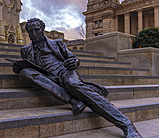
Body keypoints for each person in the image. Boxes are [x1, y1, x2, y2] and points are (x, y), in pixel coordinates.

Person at [12, 18, 142, 138]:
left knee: (73, 85)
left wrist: (74, 62)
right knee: (25, 73)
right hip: (47, 78)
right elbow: (30, 65)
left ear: (42, 30)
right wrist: (19, 68)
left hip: (64, 72)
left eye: (37, 30)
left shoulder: (57, 43)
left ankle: (126, 125)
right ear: (27, 33)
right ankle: (74, 100)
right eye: (31, 31)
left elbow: (73, 58)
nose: (34, 33)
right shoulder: (25, 50)